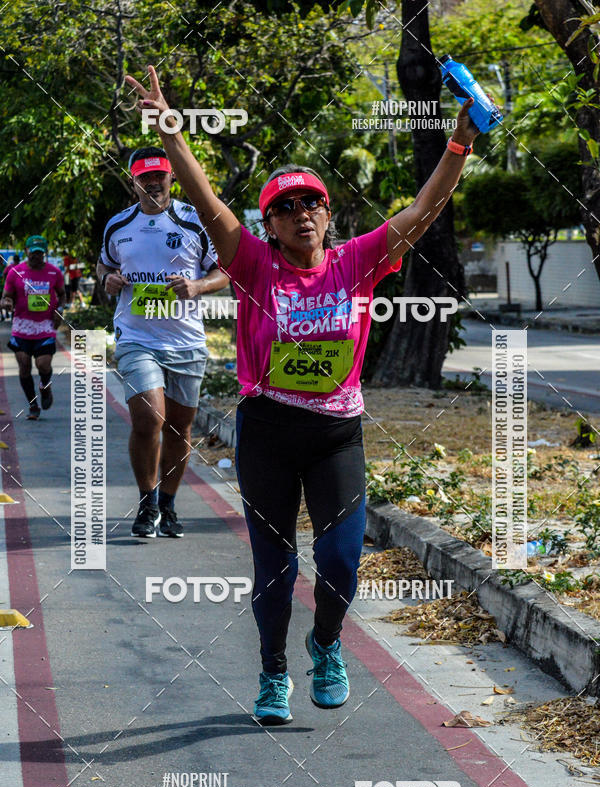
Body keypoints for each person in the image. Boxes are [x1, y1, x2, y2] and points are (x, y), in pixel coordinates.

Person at [126, 65, 479, 724]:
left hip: (335, 436)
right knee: (276, 567)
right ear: (270, 225)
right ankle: (272, 671)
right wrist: (174, 137)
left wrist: (458, 144)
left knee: (342, 563)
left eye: (310, 202)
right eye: (284, 208)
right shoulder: (253, 264)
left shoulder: (360, 261)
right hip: (268, 431)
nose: (300, 214)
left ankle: (325, 644)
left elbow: (425, 207)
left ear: (328, 211)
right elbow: (208, 206)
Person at [97, 146, 230, 539]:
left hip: (186, 341)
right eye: (145, 177)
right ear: (133, 182)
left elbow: (224, 271)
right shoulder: (118, 225)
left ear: (172, 177)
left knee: (178, 428)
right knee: (148, 418)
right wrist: (107, 277)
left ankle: (169, 504)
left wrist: (197, 285)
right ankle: (147, 500)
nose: (153, 182)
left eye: (160, 175)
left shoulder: (194, 223)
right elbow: (104, 262)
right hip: (137, 337)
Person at [1, 236, 65, 419]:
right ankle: (33, 405)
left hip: (45, 326)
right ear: (26, 251)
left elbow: (62, 294)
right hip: (22, 326)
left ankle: (45, 387)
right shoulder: (16, 272)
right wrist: (6, 302)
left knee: (43, 364)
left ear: (44, 253)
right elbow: (7, 295)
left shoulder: (54, 273)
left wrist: (60, 310)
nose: (36, 256)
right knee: (24, 365)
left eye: (39, 252)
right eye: (33, 252)